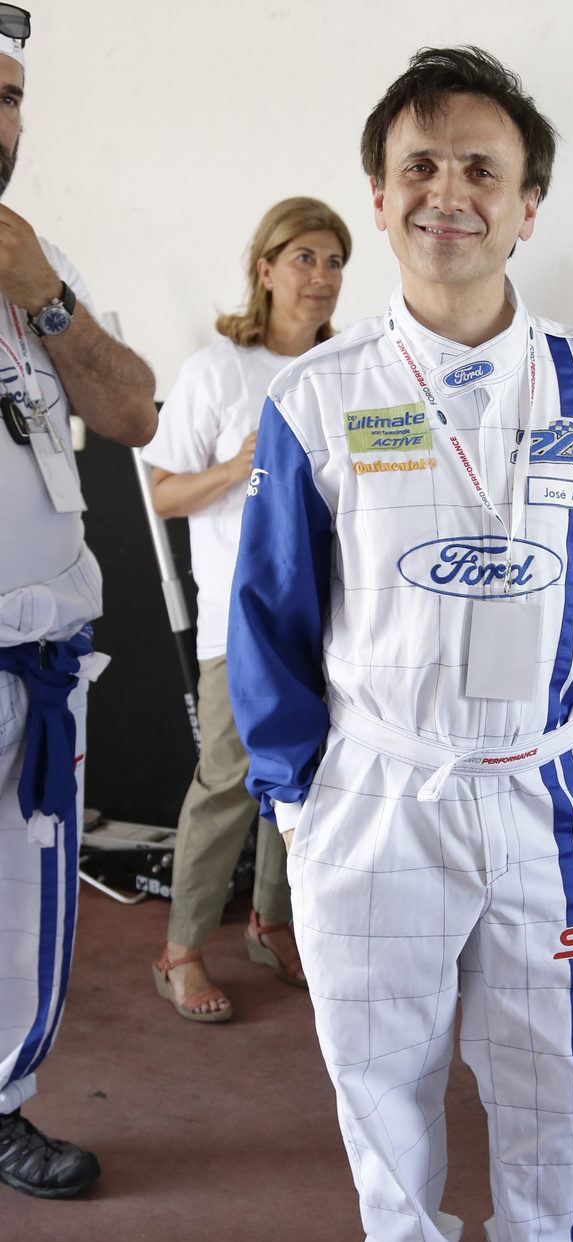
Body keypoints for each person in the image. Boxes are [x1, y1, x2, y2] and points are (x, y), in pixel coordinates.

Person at [227, 46, 573, 1242]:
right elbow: (270, 621)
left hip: (551, 793)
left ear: (530, 201)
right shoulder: (316, 401)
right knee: (383, 1061)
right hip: (375, 791)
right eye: (419, 166)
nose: (449, 192)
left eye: (480, 166)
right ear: (380, 196)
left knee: (557, 1061)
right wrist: (299, 802)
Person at [0, 6, 158, 1198]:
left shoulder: (35, 264)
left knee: (20, 922)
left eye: (9, 98)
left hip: (42, 664)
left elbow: (133, 414)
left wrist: (43, 292)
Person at [144, 198, 351, 1022]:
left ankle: (272, 921)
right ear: (264, 268)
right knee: (228, 780)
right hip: (241, 622)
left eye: (336, 260)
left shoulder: (349, 374)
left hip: (331, 619)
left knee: (306, 779)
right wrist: (237, 467)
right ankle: (181, 950)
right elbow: (162, 494)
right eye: (304, 257)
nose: (323, 276)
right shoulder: (216, 370)